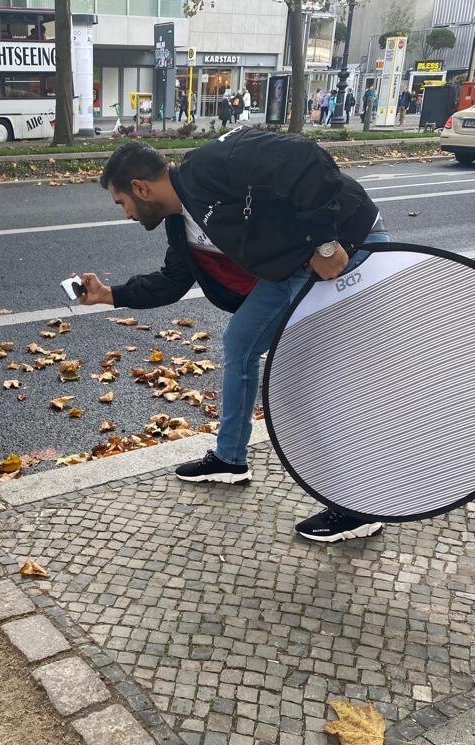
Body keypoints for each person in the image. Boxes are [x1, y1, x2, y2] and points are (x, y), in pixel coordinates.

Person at [78, 133, 390, 542]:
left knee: (321, 375)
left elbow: (305, 157)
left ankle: (358, 505)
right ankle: (230, 460)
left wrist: (326, 244)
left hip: (347, 241)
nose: (126, 214)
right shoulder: (179, 222)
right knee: (241, 343)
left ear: (140, 188)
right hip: (291, 267)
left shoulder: (211, 163)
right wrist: (109, 294)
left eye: (122, 203)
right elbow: (173, 281)